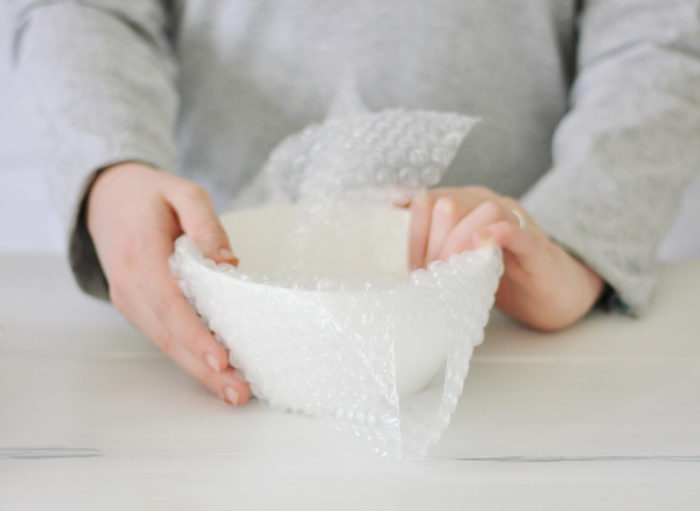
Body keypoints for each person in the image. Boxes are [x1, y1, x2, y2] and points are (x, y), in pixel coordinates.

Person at [10, 1, 699, 407]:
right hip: (199, 319)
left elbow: (658, 32)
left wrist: (580, 235)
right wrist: (113, 168)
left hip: (516, 339)